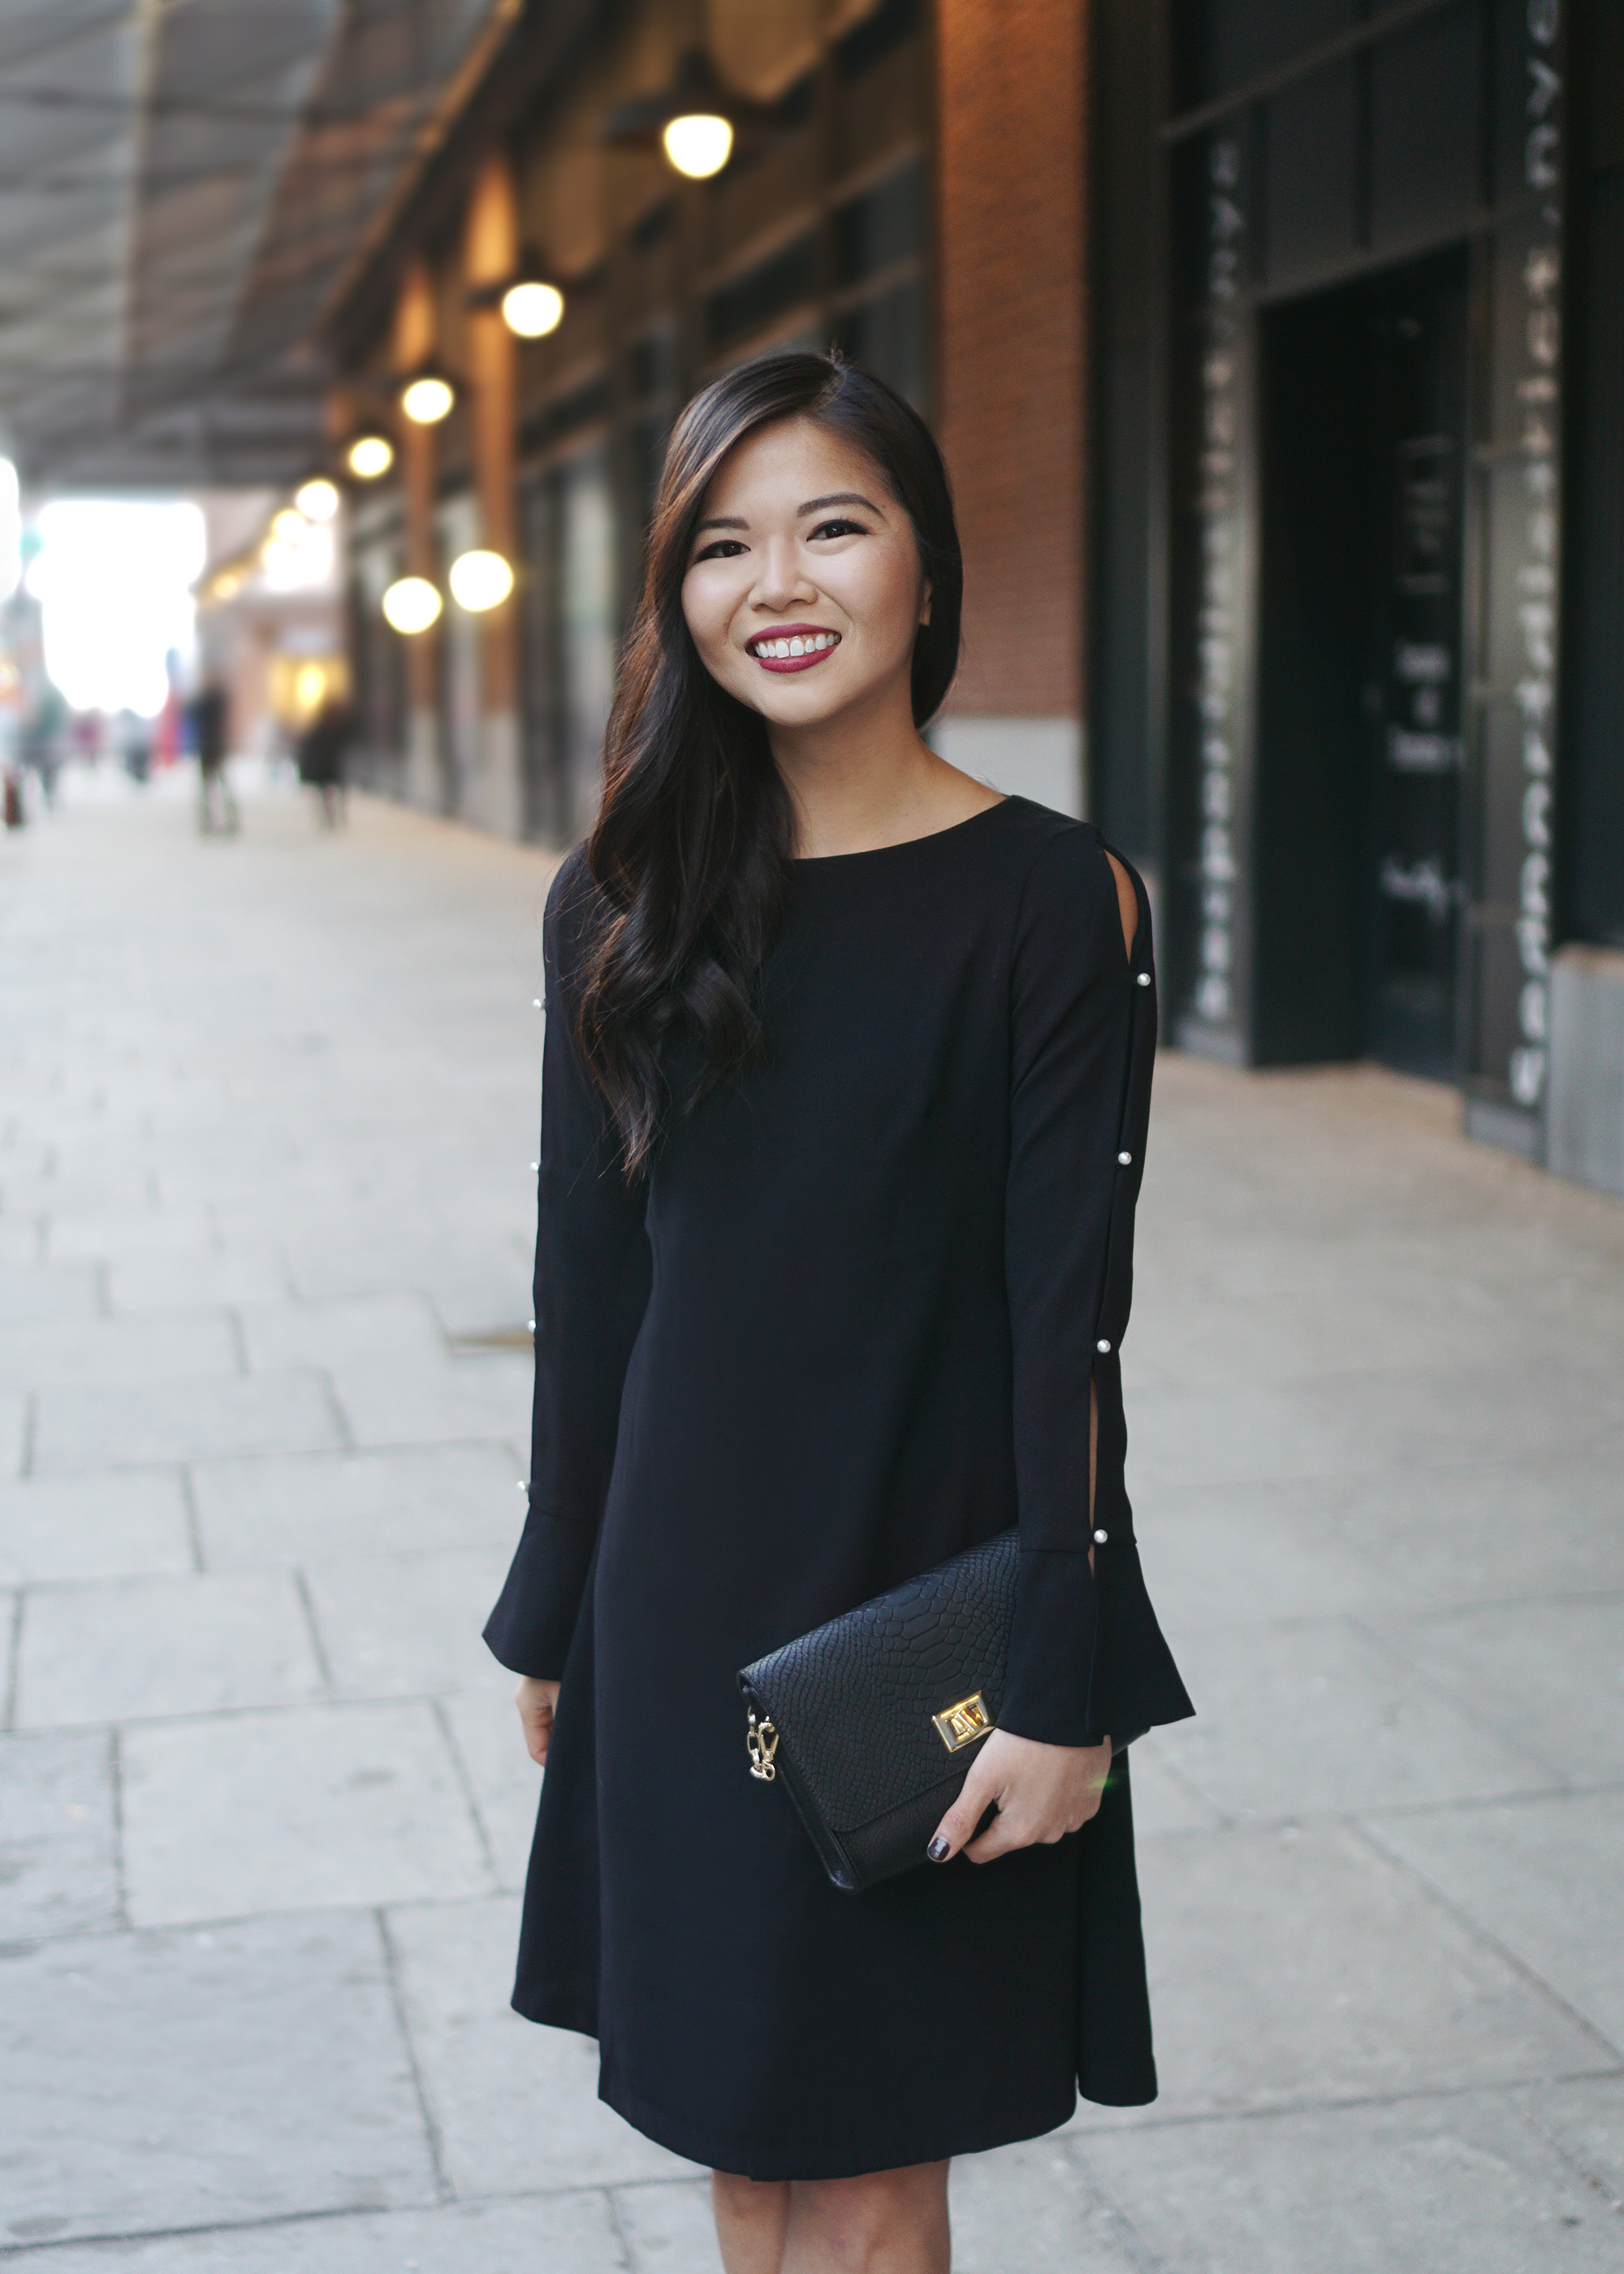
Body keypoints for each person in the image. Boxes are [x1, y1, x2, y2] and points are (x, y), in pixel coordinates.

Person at [484, 352, 1193, 2274]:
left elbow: (1071, 1327)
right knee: (738, 2145)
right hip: (675, 1603)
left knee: (878, 2158)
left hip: (918, 1607)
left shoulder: (1055, 902)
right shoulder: (621, 906)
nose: (772, 583)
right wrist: (556, 1602)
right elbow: (590, 1287)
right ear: (677, 599)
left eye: (830, 526)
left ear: (924, 573)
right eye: (721, 543)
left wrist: (1068, 1671)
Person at [296, 694, 351, 826]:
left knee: (327, 793)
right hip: (327, 766)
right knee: (334, 792)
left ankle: (330, 816)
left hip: (326, 766)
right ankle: (334, 816)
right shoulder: (332, 727)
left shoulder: (326, 726)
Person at [191, 677, 236, 834]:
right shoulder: (218, 701)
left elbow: (192, 711)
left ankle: (212, 820)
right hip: (214, 746)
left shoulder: (209, 701)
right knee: (218, 785)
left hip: (209, 746)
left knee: (211, 786)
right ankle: (221, 819)